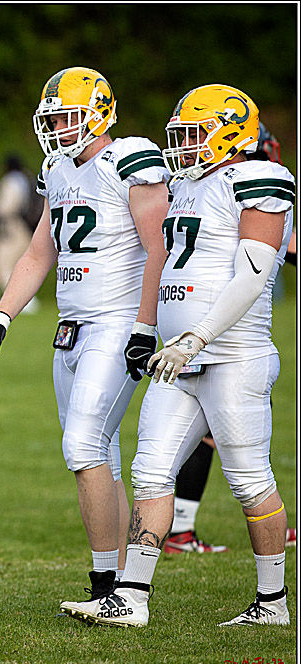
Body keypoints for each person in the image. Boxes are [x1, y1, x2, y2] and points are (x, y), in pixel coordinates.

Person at [60, 84, 294, 627]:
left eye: (195, 134)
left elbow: (252, 276)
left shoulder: (258, 180)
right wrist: (154, 331)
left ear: (232, 133)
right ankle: (130, 597)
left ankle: (272, 603)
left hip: (233, 355)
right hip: (177, 357)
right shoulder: (185, 184)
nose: (185, 145)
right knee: (150, 472)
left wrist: (197, 336)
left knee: (249, 480)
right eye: (181, 135)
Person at [0, 67, 170, 603]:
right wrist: (1, 318)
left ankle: (108, 584)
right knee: (97, 452)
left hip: (117, 323)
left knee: (83, 444)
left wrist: (145, 325)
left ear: (100, 114)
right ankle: (118, 581)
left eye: (68, 117)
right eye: (54, 119)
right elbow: (39, 253)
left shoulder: (128, 160)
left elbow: (159, 249)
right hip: (70, 329)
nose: (59, 128)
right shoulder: (57, 170)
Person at [163, 121, 296, 554]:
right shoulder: (241, 185)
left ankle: (182, 528)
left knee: (223, 450)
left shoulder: (227, 185)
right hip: (229, 339)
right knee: (238, 454)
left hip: (215, 335)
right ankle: (181, 528)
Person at [0, 154, 40, 313]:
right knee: (19, 266)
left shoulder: (11, 181)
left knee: (1, 268)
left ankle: (25, 303)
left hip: (12, 229)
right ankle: (26, 301)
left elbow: (5, 206)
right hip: (27, 229)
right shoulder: (27, 178)